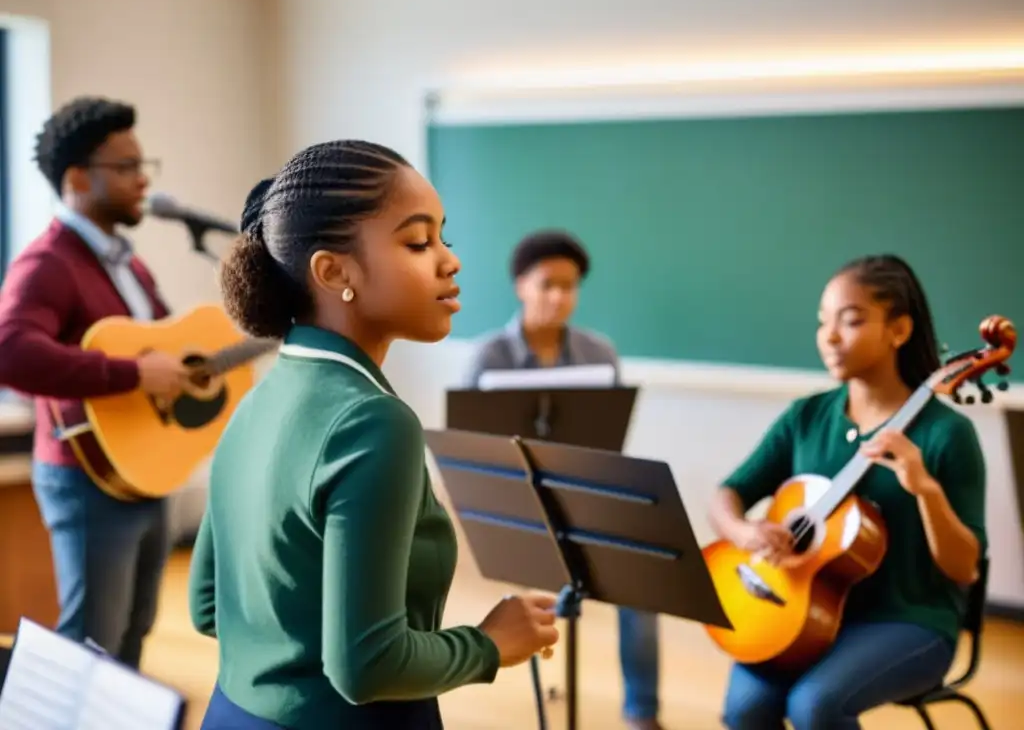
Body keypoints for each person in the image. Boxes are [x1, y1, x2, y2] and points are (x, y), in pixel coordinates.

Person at [188, 140, 560, 730]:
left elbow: (209, 608)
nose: (449, 261)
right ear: (334, 272)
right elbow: (368, 666)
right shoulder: (374, 421)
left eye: (444, 238)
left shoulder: (257, 400)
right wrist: (490, 643)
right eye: (418, 242)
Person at [710, 254, 987, 730]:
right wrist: (745, 531)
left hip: (909, 621)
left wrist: (926, 491)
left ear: (898, 331)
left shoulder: (946, 435)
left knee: (815, 705)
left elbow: (964, 567)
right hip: (804, 614)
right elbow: (727, 493)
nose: (830, 337)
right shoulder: (807, 417)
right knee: (745, 708)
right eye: (823, 323)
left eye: (851, 321)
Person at [0, 96, 187, 668]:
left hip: (141, 470)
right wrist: (132, 373)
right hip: (87, 477)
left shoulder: (125, 263)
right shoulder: (49, 261)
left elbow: (159, 345)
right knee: (92, 642)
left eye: (142, 166)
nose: (142, 181)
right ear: (78, 178)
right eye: (126, 167)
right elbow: (11, 352)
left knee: (134, 632)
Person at [464, 230, 664, 730]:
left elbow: (609, 448)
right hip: (521, 509)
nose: (560, 297)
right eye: (548, 284)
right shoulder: (488, 357)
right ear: (520, 286)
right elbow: (470, 455)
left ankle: (642, 712)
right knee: (541, 595)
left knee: (644, 582)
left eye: (570, 286)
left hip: (589, 500)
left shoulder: (600, 353)